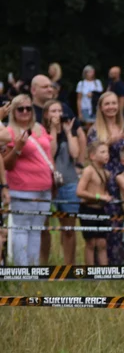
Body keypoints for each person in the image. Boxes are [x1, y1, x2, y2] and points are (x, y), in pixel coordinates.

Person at [2, 95, 53, 265]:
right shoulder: (8, 132)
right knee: (21, 230)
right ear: (13, 112)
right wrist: (17, 148)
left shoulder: (39, 128)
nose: (25, 112)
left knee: (36, 230)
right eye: (20, 109)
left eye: (28, 108)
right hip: (22, 188)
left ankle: (34, 269)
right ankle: (22, 271)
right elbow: (6, 165)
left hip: (45, 188)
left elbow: (49, 154)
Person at [87, 91, 124, 265]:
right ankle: (107, 263)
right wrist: (110, 141)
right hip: (104, 178)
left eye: (114, 103)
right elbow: (91, 153)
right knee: (107, 220)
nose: (111, 107)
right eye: (107, 104)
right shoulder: (94, 130)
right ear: (100, 107)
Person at [43, 99, 84, 264]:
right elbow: (49, 153)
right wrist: (53, 130)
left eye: (59, 111)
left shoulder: (70, 130)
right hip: (47, 185)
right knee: (44, 229)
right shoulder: (41, 132)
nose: (57, 114)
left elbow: (75, 153)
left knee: (68, 229)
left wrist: (67, 132)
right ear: (46, 114)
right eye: (53, 111)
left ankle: (69, 265)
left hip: (69, 182)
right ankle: (42, 263)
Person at [76, 140, 113, 265]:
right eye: (102, 152)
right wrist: (99, 196)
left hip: (100, 210)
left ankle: (104, 274)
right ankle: (90, 274)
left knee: (102, 243)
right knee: (91, 243)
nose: (106, 155)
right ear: (92, 156)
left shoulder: (106, 173)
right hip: (88, 208)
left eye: (107, 152)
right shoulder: (88, 171)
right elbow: (80, 192)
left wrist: (105, 196)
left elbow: (103, 192)